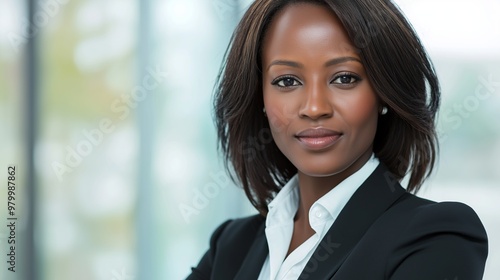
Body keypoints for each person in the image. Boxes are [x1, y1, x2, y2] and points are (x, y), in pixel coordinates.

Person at [187, 0, 488, 279]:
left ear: (384, 93)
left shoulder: (437, 237)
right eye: (287, 81)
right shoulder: (230, 247)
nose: (315, 108)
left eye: (344, 78)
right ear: (260, 98)